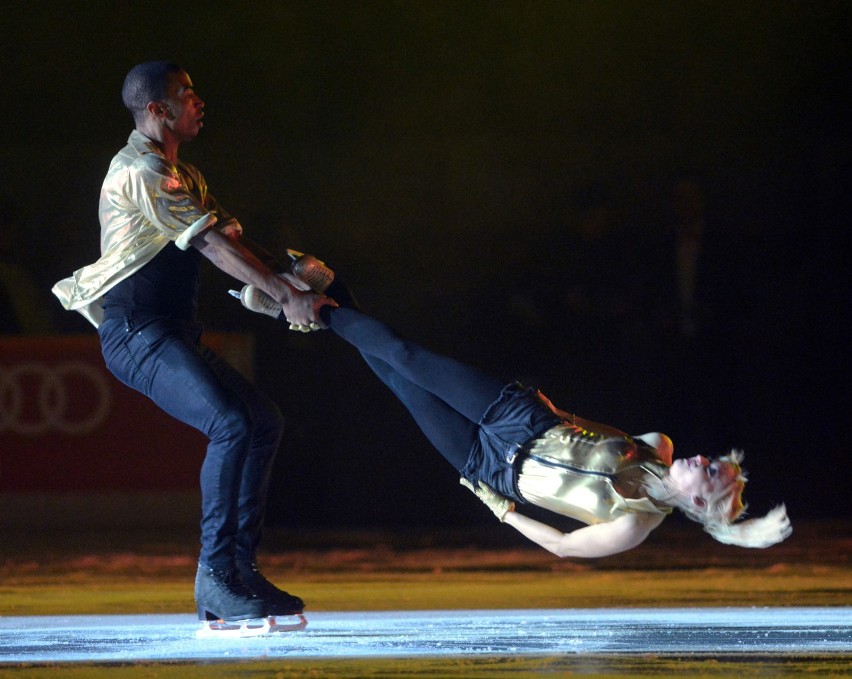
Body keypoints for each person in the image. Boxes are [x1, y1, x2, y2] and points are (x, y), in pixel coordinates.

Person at [52, 61, 335, 626]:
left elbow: (232, 238)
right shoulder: (140, 171)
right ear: (157, 110)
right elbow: (208, 245)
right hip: (135, 333)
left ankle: (238, 571)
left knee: (262, 420)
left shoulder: (187, 175)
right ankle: (216, 578)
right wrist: (283, 294)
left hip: (168, 332)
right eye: (186, 94)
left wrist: (293, 274)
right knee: (231, 423)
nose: (198, 101)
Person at [235, 277, 791, 557]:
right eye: (716, 461)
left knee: (395, 380)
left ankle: (331, 295)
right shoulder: (658, 444)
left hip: (491, 468)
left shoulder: (633, 526)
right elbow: (588, 431)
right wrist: (553, 410)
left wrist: (501, 509)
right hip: (518, 417)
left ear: (699, 502)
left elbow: (563, 545)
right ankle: (303, 301)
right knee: (406, 355)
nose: (706, 459)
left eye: (712, 472)